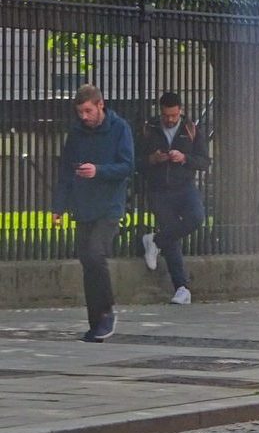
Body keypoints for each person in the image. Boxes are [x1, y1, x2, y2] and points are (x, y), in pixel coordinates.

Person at [52, 84, 135, 342]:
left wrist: (99, 171)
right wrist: (59, 207)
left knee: (95, 253)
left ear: (101, 105)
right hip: (84, 204)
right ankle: (95, 320)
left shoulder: (119, 128)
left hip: (109, 205)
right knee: (87, 261)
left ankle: (107, 310)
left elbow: (127, 166)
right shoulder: (76, 133)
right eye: (80, 112)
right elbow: (66, 171)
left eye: (88, 110)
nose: (84, 117)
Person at [138, 91, 210, 304]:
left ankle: (154, 240)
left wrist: (184, 158)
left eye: (173, 116)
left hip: (184, 186)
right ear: (160, 112)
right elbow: (136, 160)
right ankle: (182, 288)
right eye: (166, 116)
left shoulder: (191, 130)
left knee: (196, 218)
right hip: (159, 189)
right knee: (173, 239)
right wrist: (152, 159)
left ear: (181, 111)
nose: (169, 120)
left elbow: (204, 161)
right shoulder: (148, 129)